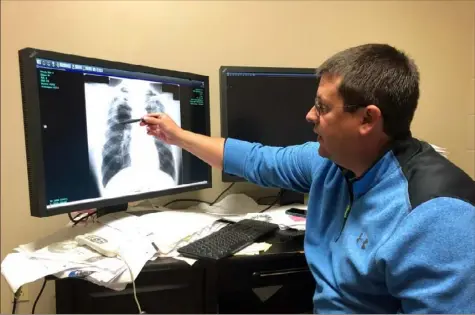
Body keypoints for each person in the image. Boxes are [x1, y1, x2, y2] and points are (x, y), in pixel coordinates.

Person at [140, 43, 475, 313]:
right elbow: (255, 159)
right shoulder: (330, 163)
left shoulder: (436, 216)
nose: (309, 116)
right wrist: (177, 136)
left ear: (367, 119)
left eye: (323, 107)